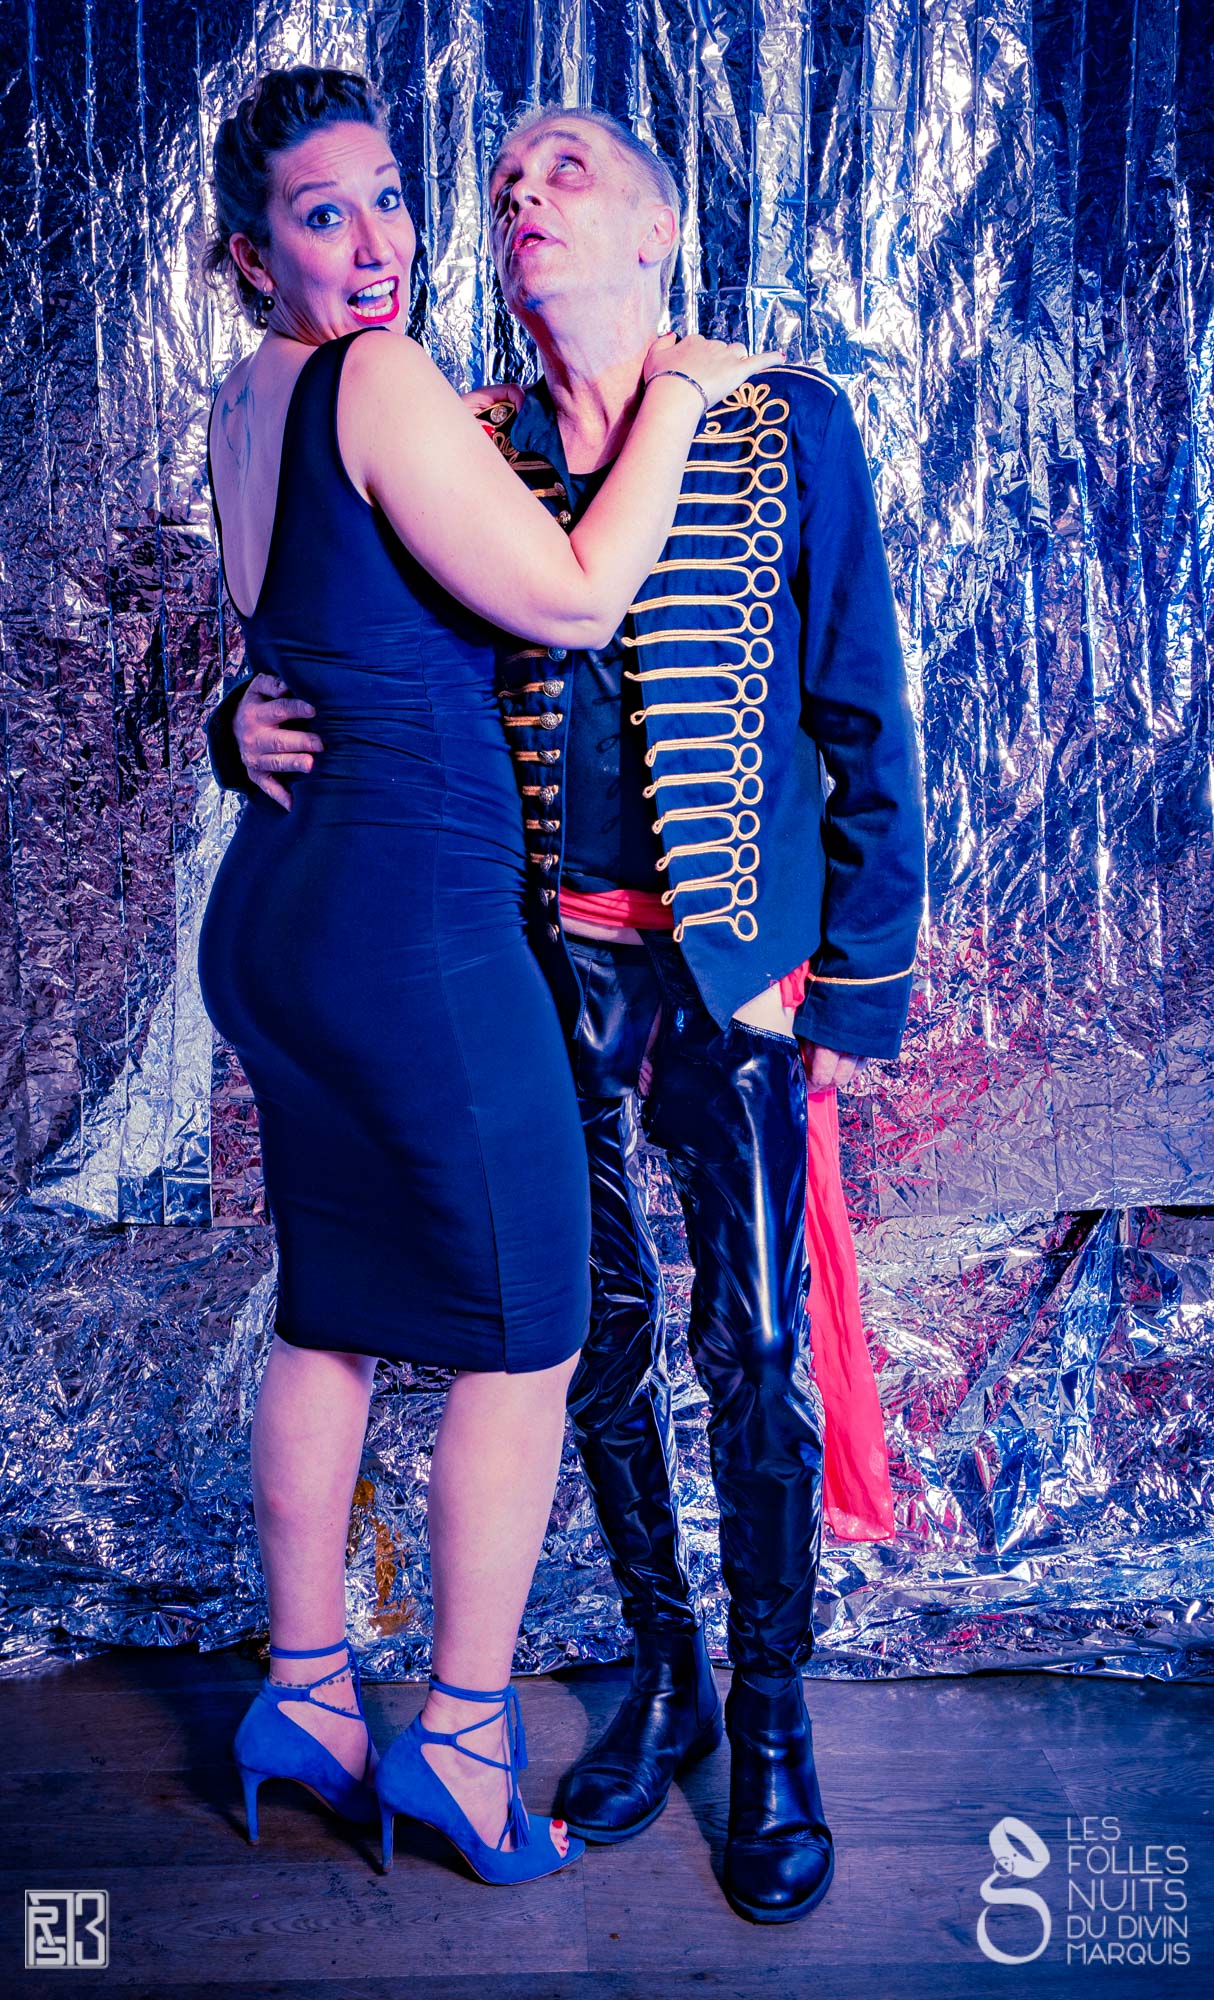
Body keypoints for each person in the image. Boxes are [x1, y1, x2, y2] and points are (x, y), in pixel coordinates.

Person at [211, 102, 926, 1923]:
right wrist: (241, 718)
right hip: (529, 966)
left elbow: (860, 706)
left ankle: (770, 1725)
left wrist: (856, 981)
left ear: (657, 231)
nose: (521, 194)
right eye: (505, 181)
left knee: (748, 1354)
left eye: (568, 172)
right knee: (584, 1342)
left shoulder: (782, 423)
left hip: (728, 975)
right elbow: (373, 614)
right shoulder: (467, 432)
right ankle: (664, 1679)